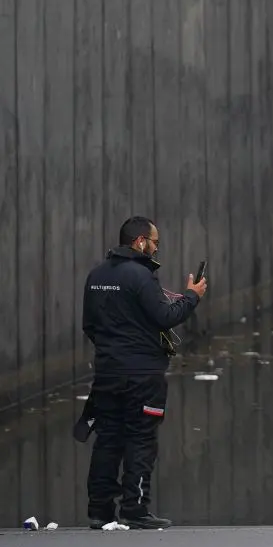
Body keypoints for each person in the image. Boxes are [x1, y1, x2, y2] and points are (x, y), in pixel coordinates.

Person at [78, 216, 207, 529]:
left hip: (107, 373)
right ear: (140, 242)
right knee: (141, 439)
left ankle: (100, 510)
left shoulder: (96, 275)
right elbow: (164, 316)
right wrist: (192, 296)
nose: (156, 248)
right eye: (155, 242)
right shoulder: (141, 276)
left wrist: (113, 351)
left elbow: (90, 326)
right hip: (142, 375)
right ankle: (135, 510)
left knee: (107, 438)